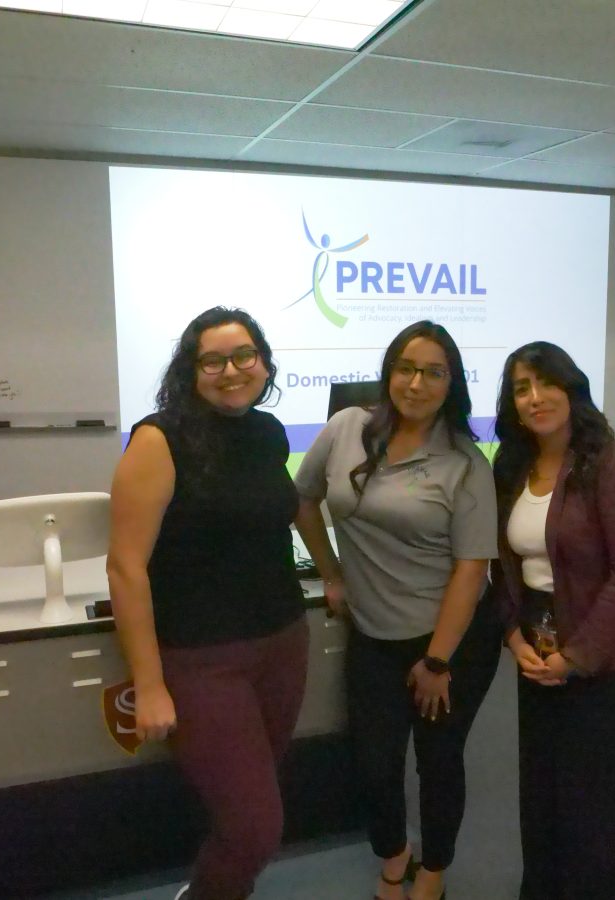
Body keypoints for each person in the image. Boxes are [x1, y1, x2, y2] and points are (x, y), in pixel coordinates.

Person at [294, 321, 500, 900]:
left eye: (434, 372)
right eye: (406, 368)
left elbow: (471, 569)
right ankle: (394, 857)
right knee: (374, 765)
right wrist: (331, 573)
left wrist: (436, 662)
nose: (417, 383)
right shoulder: (347, 428)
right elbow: (304, 498)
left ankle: (432, 872)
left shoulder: (465, 464)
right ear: (389, 372)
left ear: (451, 383)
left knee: (438, 763)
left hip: (450, 641)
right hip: (373, 633)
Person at [106, 307, 307, 900]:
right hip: (201, 661)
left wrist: (334, 575)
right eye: (212, 360)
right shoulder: (158, 439)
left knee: (244, 813)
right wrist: (148, 683)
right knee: (254, 826)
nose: (231, 370)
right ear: (191, 371)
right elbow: (125, 567)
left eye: (244, 355)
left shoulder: (269, 432)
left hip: (282, 644)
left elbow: (280, 516)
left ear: (263, 362)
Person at [491, 341, 615, 900]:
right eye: (521, 388)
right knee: (545, 797)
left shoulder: (614, 465)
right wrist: (512, 634)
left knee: (602, 812)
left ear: (572, 391)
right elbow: (505, 565)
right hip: (541, 652)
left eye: (547, 383)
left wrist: (577, 658)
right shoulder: (512, 467)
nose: (535, 398)